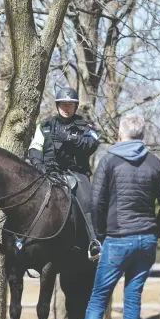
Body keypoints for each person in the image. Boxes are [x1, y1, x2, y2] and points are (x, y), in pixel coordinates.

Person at [66, 113, 160, 319]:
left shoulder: (109, 161)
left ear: (120, 135)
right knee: (133, 298)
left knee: (98, 298)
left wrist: (101, 234)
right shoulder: (155, 164)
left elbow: (96, 203)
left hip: (117, 239)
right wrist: (154, 232)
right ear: (143, 136)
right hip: (145, 240)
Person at [28, 87, 101, 253]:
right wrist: (39, 166)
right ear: (57, 105)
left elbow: (92, 144)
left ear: (75, 106)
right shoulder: (44, 126)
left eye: (70, 104)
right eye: (63, 104)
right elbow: (34, 149)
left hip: (76, 173)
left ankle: (94, 242)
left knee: (87, 200)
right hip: (45, 172)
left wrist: (70, 140)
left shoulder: (85, 126)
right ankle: (12, 240)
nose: (66, 108)